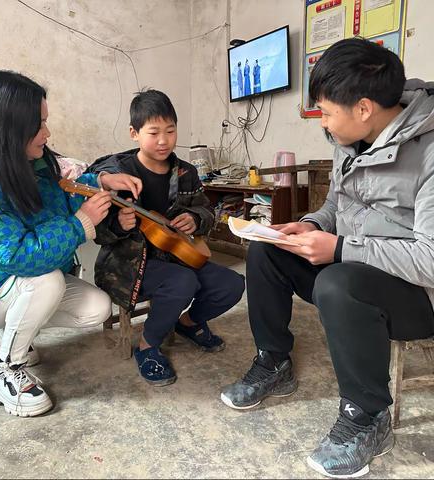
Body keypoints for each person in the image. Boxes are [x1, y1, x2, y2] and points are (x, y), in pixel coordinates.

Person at [220, 37, 434, 478]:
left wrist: (339, 249)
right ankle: (274, 361)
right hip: (355, 267)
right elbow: (338, 206)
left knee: (338, 283)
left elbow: (430, 259)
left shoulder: (429, 152)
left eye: (327, 111)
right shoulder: (349, 140)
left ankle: (368, 417)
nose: (323, 121)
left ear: (363, 108)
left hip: (418, 295)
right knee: (266, 247)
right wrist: (313, 225)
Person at [0, 70, 142, 417]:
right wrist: (82, 223)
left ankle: (7, 333)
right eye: (39, 124)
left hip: (8, 279)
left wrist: (99, 181)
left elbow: (57, 196)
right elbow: (20, 256)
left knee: (96, 308)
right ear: (10, 126)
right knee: (45, 281)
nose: (48, 132)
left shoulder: (27, 160)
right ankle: (5, 370)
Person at [87, 89, 245, 386]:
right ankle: (147, 345)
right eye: (154, 132)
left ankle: (188, 323)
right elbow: (98, 231)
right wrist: (119, 224)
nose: (163, 140)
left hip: (177, 253)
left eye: (170, 131)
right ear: (134, 133)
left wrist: (196, 218)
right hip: (128, 264)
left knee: (232, 284)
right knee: (182, 282)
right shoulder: (117, 170)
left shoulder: (185, 172)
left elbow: (206, 210)